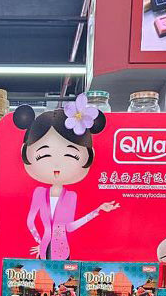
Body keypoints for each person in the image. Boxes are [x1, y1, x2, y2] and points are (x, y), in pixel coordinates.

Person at [14, 95, 119, 260]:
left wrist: (97, 211)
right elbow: (30, 222)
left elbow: (69, 227)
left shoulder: (71, 196)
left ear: (89, 156)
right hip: (43, 250)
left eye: (71, 156)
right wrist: (40, 242)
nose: (56, 165)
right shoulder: (39, 193)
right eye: (44, 156)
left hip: (63, 252)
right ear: (25, 154)